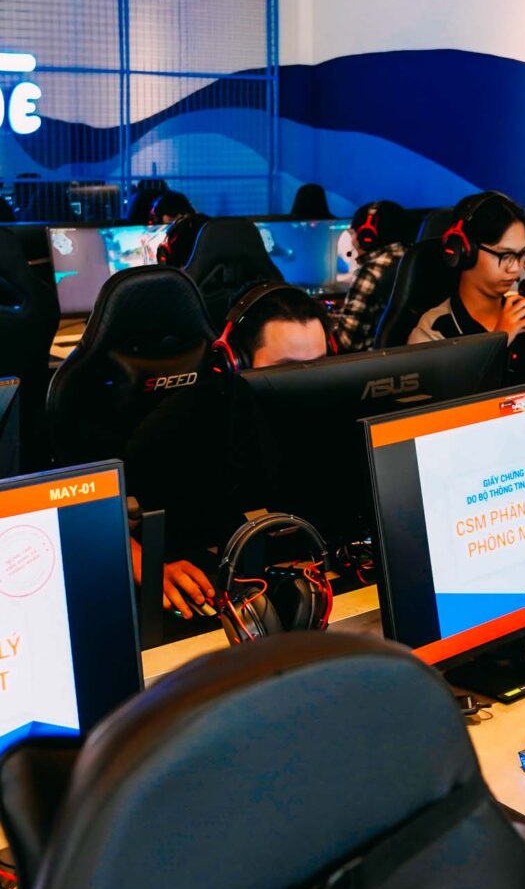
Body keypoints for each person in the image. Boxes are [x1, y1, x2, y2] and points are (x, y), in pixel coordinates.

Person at [154, 285, 335, 623]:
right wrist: (150, 568)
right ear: (234, 362)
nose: (307, 384)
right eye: (286, 368)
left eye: (318, 366)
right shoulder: (181, 422)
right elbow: (105, 525)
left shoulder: (331, 415)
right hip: (213, 604)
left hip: (310, 588)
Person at [410, 191, 525, 386]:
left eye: (522, 254)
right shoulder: (434, 331)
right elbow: (448, 403)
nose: (516, 268)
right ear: (465, 251)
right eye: (505, 255)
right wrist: (499, 340)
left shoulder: (524, 312)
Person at [333, 200, 411, 352]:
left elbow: (345, 342)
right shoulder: (410, 259)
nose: (353, 240)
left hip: (368, 360)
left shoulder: (371, 272)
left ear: (367, 236)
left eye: (353, 233)